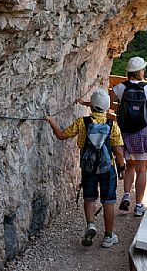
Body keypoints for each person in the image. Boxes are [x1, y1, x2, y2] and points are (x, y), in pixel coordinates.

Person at [45, 89, 126, 248]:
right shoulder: (112, 125)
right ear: (108, 107)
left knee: (89, 198)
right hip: (107, 169)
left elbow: (61, 135)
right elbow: (118, 151)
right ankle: (108, 236)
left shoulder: (82, 123)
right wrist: (121, 167)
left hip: (88, 168)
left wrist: (51, 121)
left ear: (91, 107)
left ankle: (91, 225)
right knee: (108, 201)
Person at [110, 56, 147, 217]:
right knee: (142, 170)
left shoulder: (120, 87)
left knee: (129, 166)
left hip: (124, 132)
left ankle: (126, 194)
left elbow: (106, 103)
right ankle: (139, 205)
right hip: (141, 133)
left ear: (128, 72)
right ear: (140, 71)